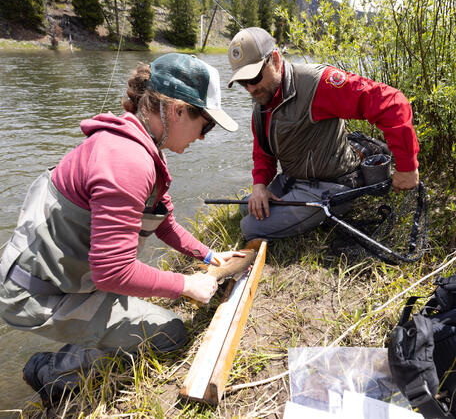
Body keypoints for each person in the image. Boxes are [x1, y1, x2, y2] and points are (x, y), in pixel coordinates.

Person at [0, 53, 240, 406]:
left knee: (140, 306)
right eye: (206, 125)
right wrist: (187, 285)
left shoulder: (138, 144)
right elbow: (113, 271)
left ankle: (80, 344)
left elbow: (164, 222)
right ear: (176, 111)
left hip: (65, 278)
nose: (204, 138)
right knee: (172, 333)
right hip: (36, 295)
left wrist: (207, 254)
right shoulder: (127, 161)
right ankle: (48, 372)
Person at [227, 27, 420, 241]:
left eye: (253, 77)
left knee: (250, 227)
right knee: (245, 207)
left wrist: (407, 167)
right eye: (243, 83)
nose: (250, 89)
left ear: (275, 60)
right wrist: (260, 185)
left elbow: (392, 103)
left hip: (332, 185)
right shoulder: (261, 104)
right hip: (292, 179)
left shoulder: (317, 83)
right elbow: (263, 154)